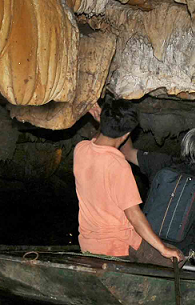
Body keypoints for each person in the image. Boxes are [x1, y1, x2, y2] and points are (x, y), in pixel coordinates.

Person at [73, 98, 184, 266]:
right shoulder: (119, 166)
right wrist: (163, 249)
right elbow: (134, 215)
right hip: (119, 246)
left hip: (88, 244)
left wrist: (103, 122)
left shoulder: (80, 149)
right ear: (126, 135)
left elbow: (97, 141)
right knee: (177, 257)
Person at [121, 127, 195, 261]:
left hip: (147, 239)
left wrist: (123, 125)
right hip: (182, 249)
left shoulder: (159, 162)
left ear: (183, 146)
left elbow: (127, 152)